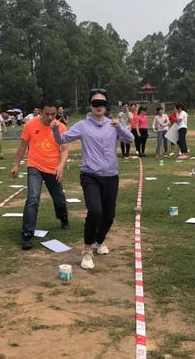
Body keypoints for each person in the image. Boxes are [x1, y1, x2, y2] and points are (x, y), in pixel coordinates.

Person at [51, 89, 134, 270]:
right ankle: (87, 250)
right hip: (90, 175)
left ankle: (99, 241)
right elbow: (61, 140)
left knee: (109, 216)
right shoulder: (82, 125)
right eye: (95, 103)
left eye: (102, 103)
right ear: (90, 105)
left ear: (106, 106)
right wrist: (55, 129)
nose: (99, 106)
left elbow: (130, 138)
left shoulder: (113, 124)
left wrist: (119, 127)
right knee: (95, 211)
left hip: (111, 176)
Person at [11, 99, 69, 250]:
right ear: (40, 112)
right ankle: (27, 235)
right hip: (34, 166)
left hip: (53, 168)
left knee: (59, 199)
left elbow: (64, 150)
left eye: (53, 114)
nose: (50, 117)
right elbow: (23, 146)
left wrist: (61, 166)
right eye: (46, 114)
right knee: (33, 198)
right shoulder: (30, 125)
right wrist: (16, 164)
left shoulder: (61, 127)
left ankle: (63, 217)